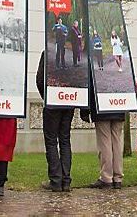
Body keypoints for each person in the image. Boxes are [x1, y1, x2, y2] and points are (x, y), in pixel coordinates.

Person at [36, 51, 75, 191]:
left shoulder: (48, 52)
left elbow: (39, 79)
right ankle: (65, 181)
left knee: (51, 141)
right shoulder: (73, 55)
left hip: (53, 102)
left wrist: (46, 97)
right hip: (69, 102)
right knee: (65, 140)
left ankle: (56, 180)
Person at [80, 75, 127, 189]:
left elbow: (90, 86)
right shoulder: (120, 64)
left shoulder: (95, 63)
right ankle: (117, 177)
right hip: (119, 105)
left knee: (104, 142)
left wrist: (85, 109)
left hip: (101, 106)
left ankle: (106, 177)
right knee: (117, 142)